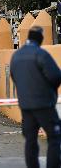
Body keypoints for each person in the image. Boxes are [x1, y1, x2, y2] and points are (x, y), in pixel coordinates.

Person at [10, 26, 61, 168]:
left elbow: (14, 76)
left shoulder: (16, 56)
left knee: (30, 141)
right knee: (55, 137)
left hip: (25, 105)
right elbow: (55, 76)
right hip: (44, 104)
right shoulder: (41, 54)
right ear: (40, 38)